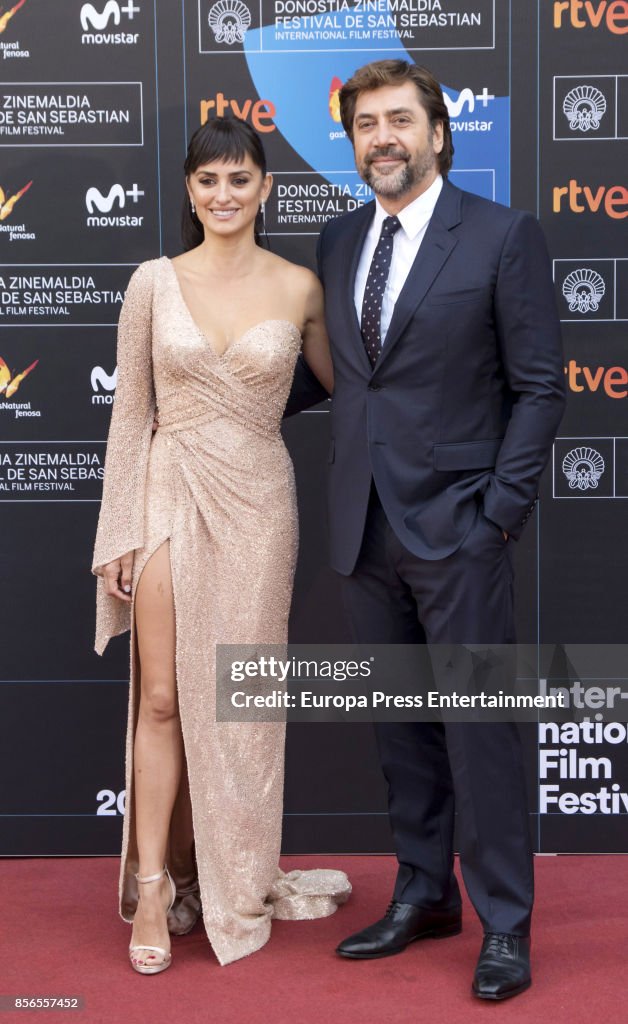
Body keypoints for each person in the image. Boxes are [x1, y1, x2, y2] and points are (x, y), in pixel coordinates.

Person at [287, 60, 565, 1000]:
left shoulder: (500, 236)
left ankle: (506, 925)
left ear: (439, 134)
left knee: (481, 734)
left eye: (399, 120)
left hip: (461, 530)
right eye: (365, 124)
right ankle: (423, 892)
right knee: (402, 732)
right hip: (362, 531)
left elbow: (538, 388)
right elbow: (336, 377)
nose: (382, 139)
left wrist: (500, 516)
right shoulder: (334, 242)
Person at [92, 116, 349, 975]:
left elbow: (351, 388)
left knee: (241, 698)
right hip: (168, 488)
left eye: (240, 179)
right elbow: (130, 418)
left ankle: (237, 873)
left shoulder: (302, 286)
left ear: (266, 188)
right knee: (162, 697)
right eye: (208, 181)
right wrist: (120, 531)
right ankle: (159, 882)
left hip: (260, 503)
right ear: (190, 191)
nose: (224, 195)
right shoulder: (151, 282)